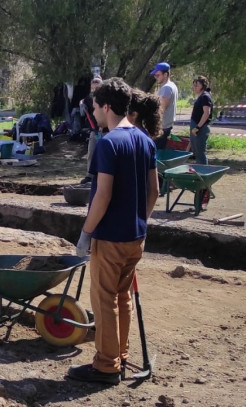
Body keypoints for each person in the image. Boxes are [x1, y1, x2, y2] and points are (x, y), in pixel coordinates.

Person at [70, 78, 160, 385]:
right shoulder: (145, 140)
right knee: (122, 298)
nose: (92, 113)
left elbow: (103, 195)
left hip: (109, 237)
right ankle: (118, 355)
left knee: (104, 300)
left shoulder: (108, 143)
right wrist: (139, 221)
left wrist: (86, 232)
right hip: (136, 237)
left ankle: (107, 366)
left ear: (106, 106)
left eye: (94, 107)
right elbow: (154, 191)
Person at [149, 62, 177, 149]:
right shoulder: (172, 86)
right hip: (165, 126)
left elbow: (161, 109)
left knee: (156, 154)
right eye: (155, 75)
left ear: (165, 74)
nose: (156, 77)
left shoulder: (167, 88)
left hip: (161, 127)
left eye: (158, 75)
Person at [189, 76, 214, 165]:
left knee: (200, 152)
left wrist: (198, 127)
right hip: (196, 126)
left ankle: (203, 173)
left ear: (203, 86)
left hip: (201, 128)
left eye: (197, 85)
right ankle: (199, 171)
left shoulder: (205, 97)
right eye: (194, 85)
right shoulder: (201, 97)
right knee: (197, 152)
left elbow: (206, 113)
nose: (194, 87)